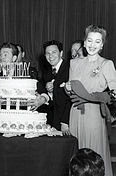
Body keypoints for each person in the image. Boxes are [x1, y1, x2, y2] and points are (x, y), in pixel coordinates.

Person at [65, 24, 115, 176]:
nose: (93, 45)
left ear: (102, 45)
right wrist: (67, 88)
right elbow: (71, 90)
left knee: (93, 155)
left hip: (93, 114)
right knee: (76, 154)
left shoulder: (106, 64)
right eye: (90, 40)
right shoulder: (74, 63)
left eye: (97, 41)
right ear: (85, 42)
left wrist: (100, 97)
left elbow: (114, 92)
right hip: (75, 112)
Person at [0, 42, 49, 111]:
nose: (1, 58)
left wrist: (41, 100)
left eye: (5, 55)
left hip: (21, 115)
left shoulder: (26, 73)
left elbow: (43, 92)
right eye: (0, 55)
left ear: (14, 58)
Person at [40, 40, 71, 134]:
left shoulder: (70, 68)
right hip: (53, 119)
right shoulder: (47, 72)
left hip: (66, 120)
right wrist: (48, 91)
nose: (51, 56)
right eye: (47, 53)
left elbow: (72, 97)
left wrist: (65, 121)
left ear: (61, 53)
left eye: (54, 52)